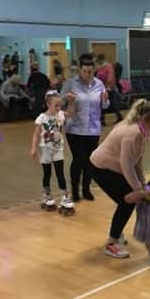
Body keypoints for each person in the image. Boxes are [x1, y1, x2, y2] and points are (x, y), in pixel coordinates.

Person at [90, 99, 150, 258]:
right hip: (101, 168)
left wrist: (143, 185)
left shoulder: (143, 131)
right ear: (146, 119)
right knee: (126, 202)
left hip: (114, 168)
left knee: (129, 200)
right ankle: (111, 243)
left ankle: (116, 232)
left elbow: (137, 159)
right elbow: (126, 164)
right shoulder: (132, 133)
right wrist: (139, 191)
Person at [61, 54, 109, 202]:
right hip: (75, 128)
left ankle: (86, 188)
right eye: (85, 71)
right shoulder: (71, 84)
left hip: (93, 128)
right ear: (79, 70)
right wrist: (66, 99)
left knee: (90, 160)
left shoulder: (99, 84)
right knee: (79, 159)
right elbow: (59, 101)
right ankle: (75, 190)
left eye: (90, 71)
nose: (88, 74)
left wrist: (106, 101)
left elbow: (105, 105)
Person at [30, 90, 74, 216]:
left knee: (60, 173)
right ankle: (47, 195)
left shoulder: (60, 114)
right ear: (48, 104)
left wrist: (71, 102)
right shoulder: (42, 118)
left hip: (58, 149)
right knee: (47, 173)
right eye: (56, 105)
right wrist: (33, 148)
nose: (59, 108)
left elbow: (71, 113)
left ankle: (65, 197)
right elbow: (36, 134)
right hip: (45, 150)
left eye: (60, 105)